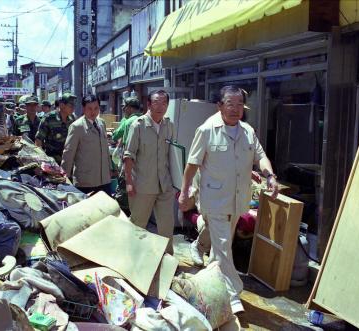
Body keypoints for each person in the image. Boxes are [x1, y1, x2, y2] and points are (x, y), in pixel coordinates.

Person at [178, 85, 279, 314]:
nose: (235, 109)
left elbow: (260, 156)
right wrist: (185, 192)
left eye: (239, 105)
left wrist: (269, 176)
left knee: (220, 249)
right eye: (230, 104)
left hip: (237, 200)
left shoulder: (247, 131)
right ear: (220, 105)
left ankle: (205, 289)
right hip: (214, 199)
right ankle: (233, 297)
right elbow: (192, 165)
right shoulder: (206, 130)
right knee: (223, 249)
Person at [123, 90, 175, 253]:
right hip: (142, 185)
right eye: (156, 102)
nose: (160, 107)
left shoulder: (169, 125)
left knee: (167, 226)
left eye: (164, 103)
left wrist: (177, 183)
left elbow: (172, 155)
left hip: (164, 185)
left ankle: (168, 260)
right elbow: (128, 156)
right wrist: (129, 183)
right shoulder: (138, 125)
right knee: (138, 225)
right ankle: (132, 257)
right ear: (148, 104)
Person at [61, 94, 111, 194]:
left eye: (96, 108)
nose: (93, 112)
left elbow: (105, 150)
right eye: (89, 108)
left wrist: (110, 169)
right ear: (83, 108)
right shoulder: (77, 127)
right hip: (86, 182)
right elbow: (68, 154)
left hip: (104, 180)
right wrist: (63, 178)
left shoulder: (101, 123)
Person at [35, 92, 77, 163]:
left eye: (74, 105)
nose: (73, 108)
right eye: (70, 105)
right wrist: (42, 159)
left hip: (68, 160)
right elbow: (38, 140)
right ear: (61, 105)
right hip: (52, 161)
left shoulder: (72, 119)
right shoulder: (49, 118)